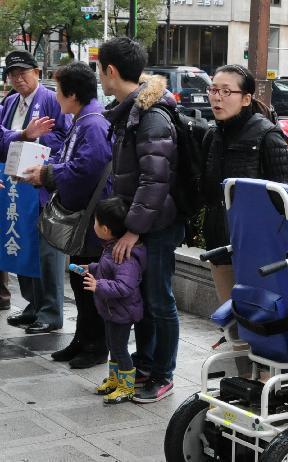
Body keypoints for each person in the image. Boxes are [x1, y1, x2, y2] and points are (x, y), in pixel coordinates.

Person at [99, 37, 183, 403]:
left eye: (100, 70)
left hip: (158, 225)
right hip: (146, 222)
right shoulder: (130, 112)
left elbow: (155, 179)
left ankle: (163, 374)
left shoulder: (150, 117)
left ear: (111, 71)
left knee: (160, 301)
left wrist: (133, 229)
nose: (99, 78)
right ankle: (146, 364)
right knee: (147, 300)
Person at [21, 62, 113, 368]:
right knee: (79, 281)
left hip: (90, 220)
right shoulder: (82, 119)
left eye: (58, 90)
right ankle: (81, 340)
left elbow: (88, 168)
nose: (55, 96)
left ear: (72, 94)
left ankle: (96, 346)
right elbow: (68, 159)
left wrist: (48, 174)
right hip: (82, 219)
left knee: (88, 285)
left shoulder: (93, 124)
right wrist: (40, 169)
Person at [201, 64, 288, 305]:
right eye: (213, 90)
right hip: (220, 245)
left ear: (246, 99)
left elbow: (287, 199)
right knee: (231, 321)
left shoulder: (268, 137)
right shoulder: (212, 136)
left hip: (257, 251)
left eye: (226, 91)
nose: (217, 97)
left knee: (255, 324)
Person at [1, 50, 71, 334]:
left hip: (41, 187)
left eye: (23, 73)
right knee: (22, 248)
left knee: (47, 251)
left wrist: (37, 137)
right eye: (13, 75)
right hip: (15, 188)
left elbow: (66, 138)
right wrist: (23, 135)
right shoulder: (9, 103)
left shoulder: (52, 100)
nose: (18, 79)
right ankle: (33, 305)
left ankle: (51, 311)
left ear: (37, 72)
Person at [82, 197, 146, 404]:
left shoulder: (124, 255)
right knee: (112, 345)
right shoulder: (112, 247)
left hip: (122, 312)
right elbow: (107, 268)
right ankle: (114, 380)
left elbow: (125, 286)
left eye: (95, 222)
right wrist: (91, 268)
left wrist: (98, 285)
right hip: (111, 310)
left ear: (106, 229)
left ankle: (126, 388)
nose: (94, 225)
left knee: (119, 348)